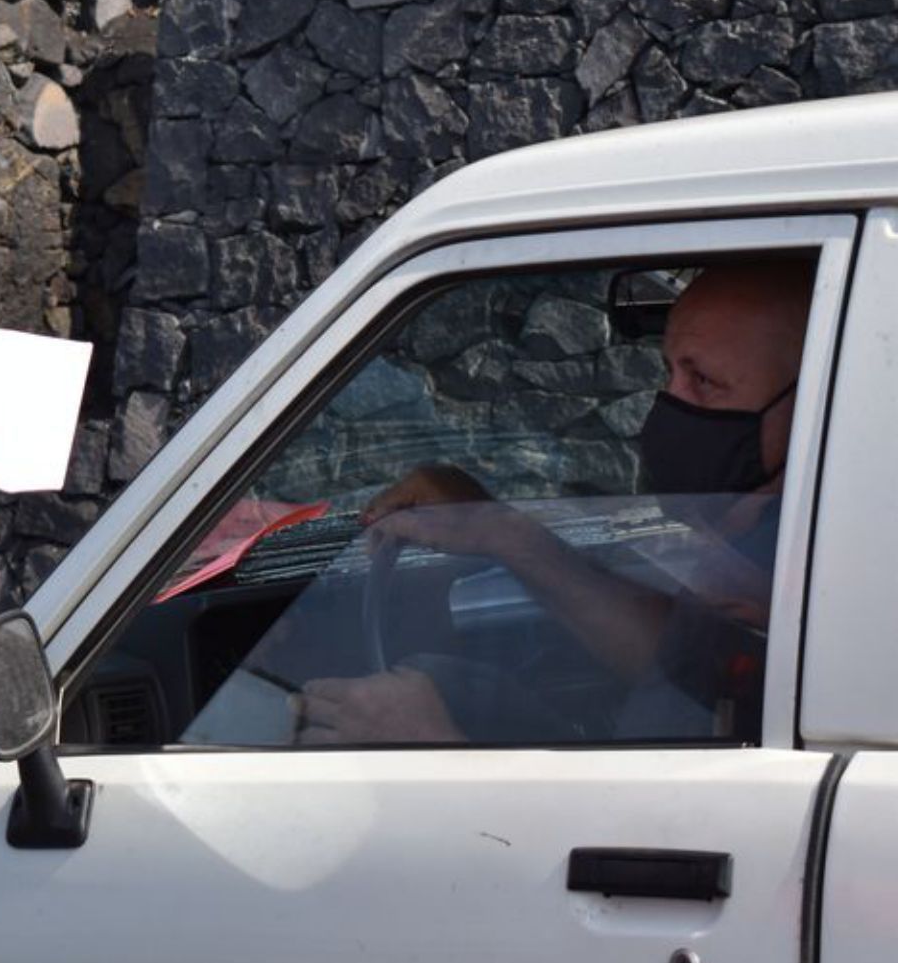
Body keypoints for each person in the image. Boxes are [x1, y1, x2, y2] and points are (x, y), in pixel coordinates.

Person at [297, 259, 813, 746]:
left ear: (812, 395)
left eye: (704, 382)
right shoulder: (775, 532)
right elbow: (690, 666)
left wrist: (431, 745)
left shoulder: (824, 572)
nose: (667, 406)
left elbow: (689, 825)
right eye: (667, 372)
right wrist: (500, 530)